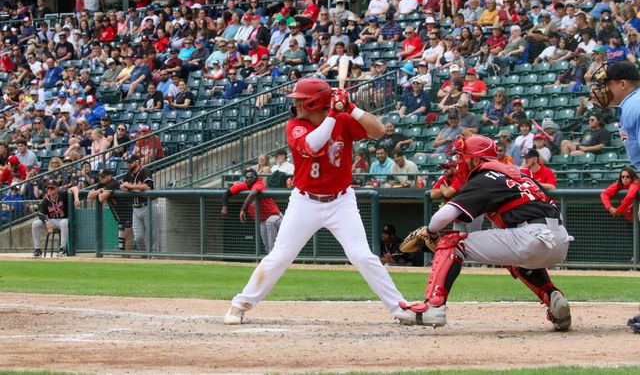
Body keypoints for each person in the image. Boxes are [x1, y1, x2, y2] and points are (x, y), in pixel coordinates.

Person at [223, 78, 416, 325]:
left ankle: (399, 307)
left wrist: (350, 107)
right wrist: (333, 114)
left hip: (341, 201)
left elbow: (378, 130)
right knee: (280, 255)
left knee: (362, 256)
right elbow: (312, 146)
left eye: (302, 100)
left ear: (316, 102)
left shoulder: (344, 120)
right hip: (306, 202)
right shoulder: (295, 124)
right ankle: (240, 304)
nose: (297, 104)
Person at [400, 135, 572, 330]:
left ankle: (433, 307)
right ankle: (553, 298)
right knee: (517, 258)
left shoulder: (485, 175)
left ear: (476, 159)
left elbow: (441, 218)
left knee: (451, 242)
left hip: (531, 237)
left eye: (462, 156)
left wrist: (430, 233)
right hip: (560, 239)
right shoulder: (520, 174)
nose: (459, 162)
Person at [588, 60, 640, 334]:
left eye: (607, 84)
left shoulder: (635, 104)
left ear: (622, 84)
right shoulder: (630, 105)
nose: (602, 90)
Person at [221, 168, 283, 254]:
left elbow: (253, 193)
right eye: (247, 178)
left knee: (270, 224)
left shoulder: (259, 183)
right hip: (262, 220)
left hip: (276, 217)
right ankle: (271, 262)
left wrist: (243, 210)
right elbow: (227, 193)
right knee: (267, 247)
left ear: (256, 178)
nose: (249, 180)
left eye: (251, 177)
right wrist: (225, 207)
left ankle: (276, 258)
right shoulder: (244, 185)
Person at [87, 169, 134, 254]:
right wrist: (100, 190)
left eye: (103, 176)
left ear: (109, 176)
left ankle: (128, 255)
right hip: (119, 213)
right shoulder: (102, 184)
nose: (101, 178)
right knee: (122, 234)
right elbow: (89, 196)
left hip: (127, 210)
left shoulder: (113, 183)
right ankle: (124, 254)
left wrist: (100, 192)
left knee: (128, 233)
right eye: (100, 177)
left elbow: (101, 198)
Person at [120, 154, 160, 253]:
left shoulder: (145, 171)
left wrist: (130, 186)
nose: (128, 164)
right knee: (138, 237)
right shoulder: (128, 174)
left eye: (131, 162)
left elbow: (148, 187)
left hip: (148, 206)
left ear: (137, 162)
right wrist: (126, 186)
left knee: (152, 234)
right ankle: (145, 255)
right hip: (136, 208)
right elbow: (122, 186)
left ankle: (155, 256)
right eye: (127, 162)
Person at [31, 181, 81, 258]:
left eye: (52, 188)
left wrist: (76, 198)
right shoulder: (46, 200)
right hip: (52, 221)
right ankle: (37, 250)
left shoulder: (63, 194)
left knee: (64, 223)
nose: (49, 190)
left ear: (57, 189)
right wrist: (47, 222)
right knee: (35, 224)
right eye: (48, 188)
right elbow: (41, 214)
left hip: (64, 219)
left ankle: (62, 249)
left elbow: (75, 188)